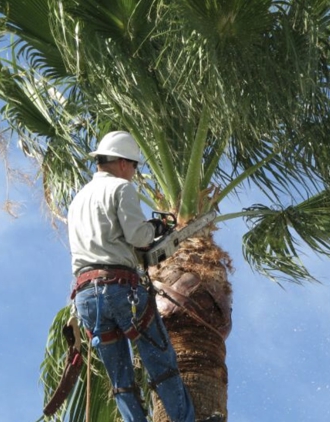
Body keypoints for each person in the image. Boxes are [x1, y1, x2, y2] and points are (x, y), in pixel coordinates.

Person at [68, 131, 216, 422]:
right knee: (161, 364)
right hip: (120, 289)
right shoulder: (120, 189)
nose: (134, 173)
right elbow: (137, 236)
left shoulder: (78, 200)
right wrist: (155, 230)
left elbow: (106, 240)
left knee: (121, 381)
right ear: (123, 163)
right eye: (135, 166)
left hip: (86, 296)